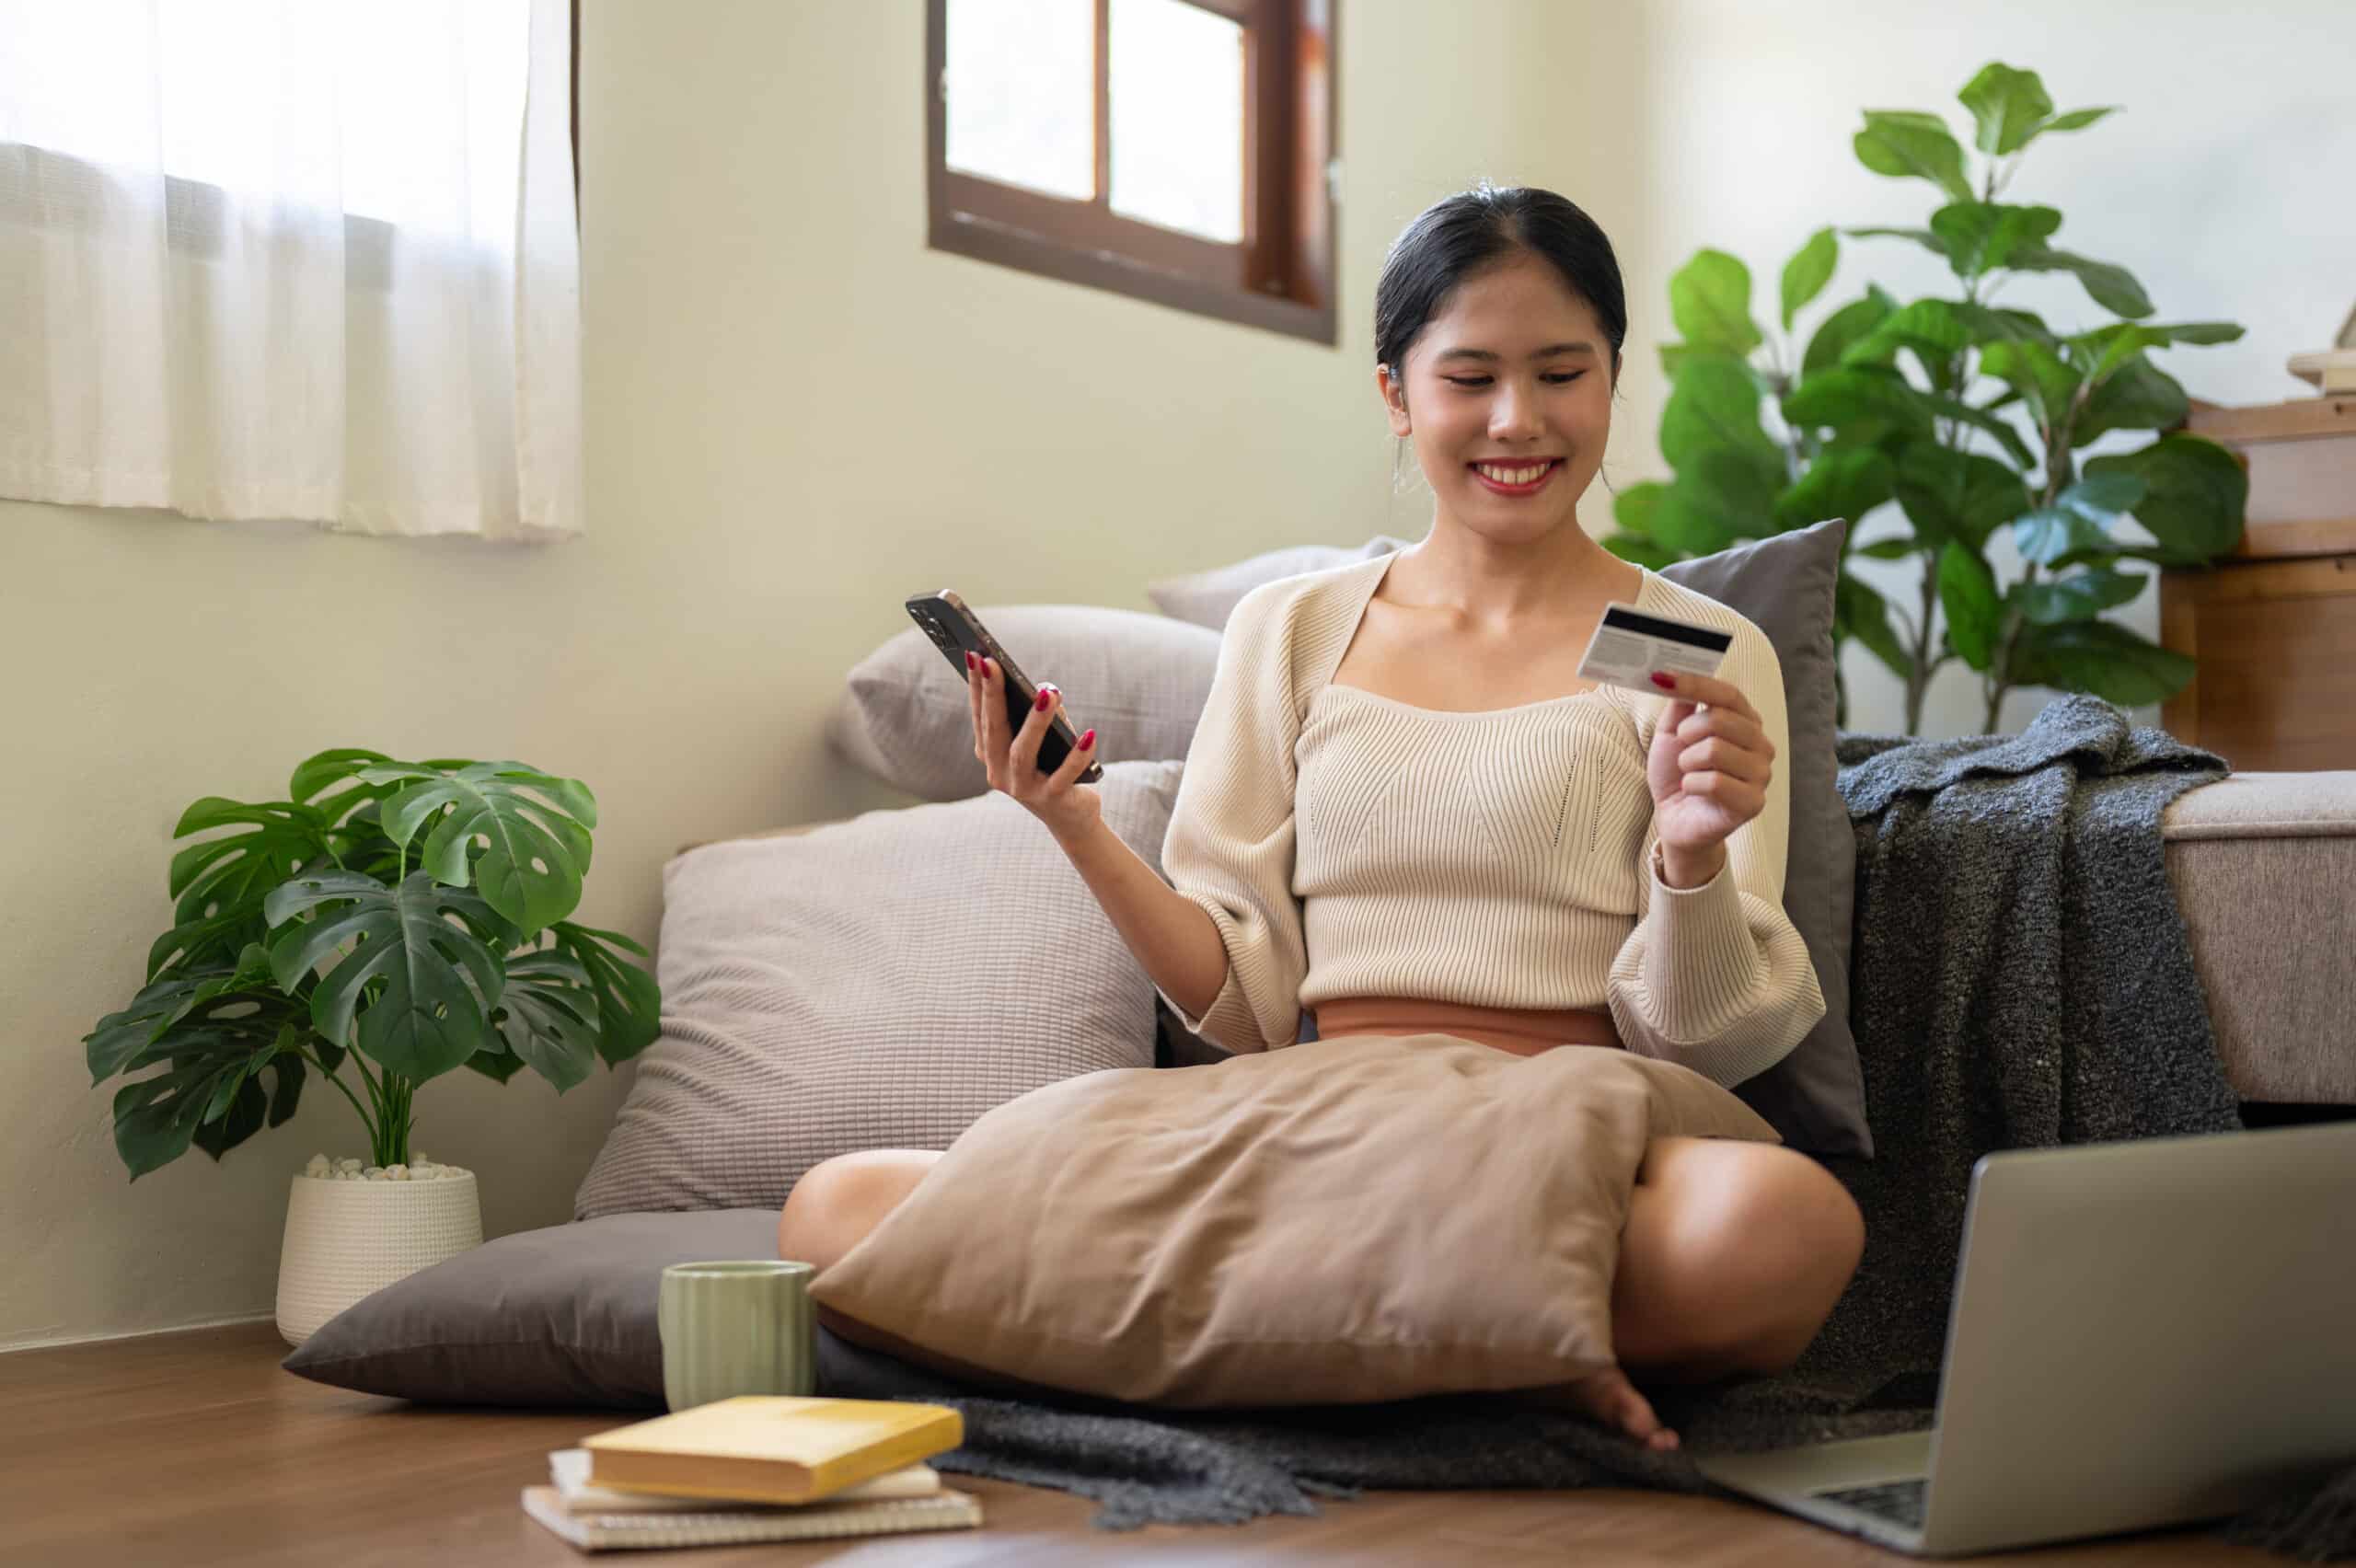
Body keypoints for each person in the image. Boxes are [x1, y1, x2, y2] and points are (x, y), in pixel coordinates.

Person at [781, 183, 1865, 1451]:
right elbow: (1242, 1002)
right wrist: (1071, 820)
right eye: (1469, 378)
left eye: (1561, 373)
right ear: (1398, 396)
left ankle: (1297, 1333)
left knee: (1779, 1230)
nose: (1518, 419)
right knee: (836, 1207)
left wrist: (1686, 860)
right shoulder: (1295, 630)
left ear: (1611, 381)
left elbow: (1699, 1045)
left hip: (1572, 1112)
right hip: (1323, 1114)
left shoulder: (1691, 643)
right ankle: (1486, 1335)